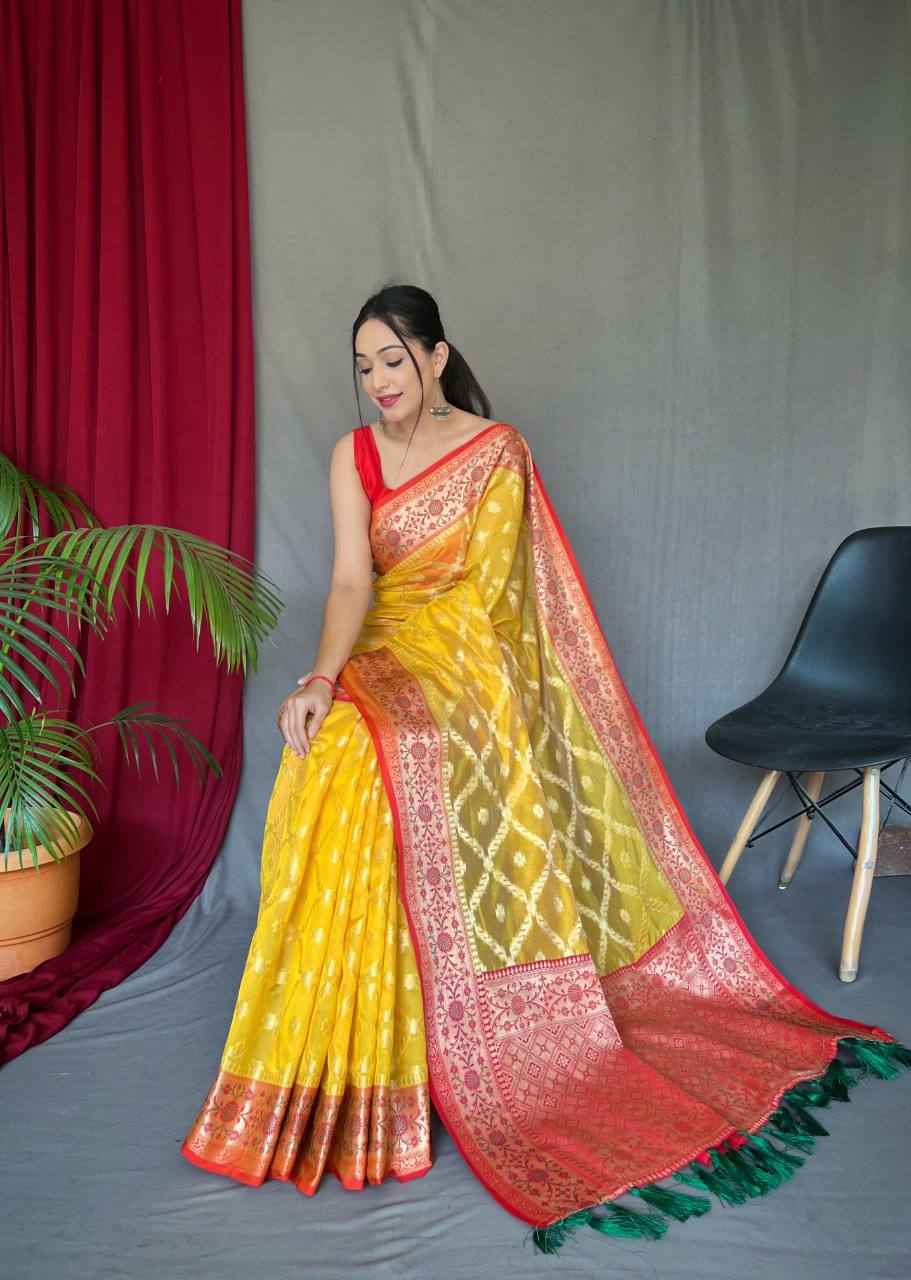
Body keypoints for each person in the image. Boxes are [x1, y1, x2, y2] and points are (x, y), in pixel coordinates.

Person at [181, 282, 908, 1253]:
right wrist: (320, 675)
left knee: (407, 751)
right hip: (384, 651)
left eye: (391, 358)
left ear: (436, 356)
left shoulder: (494, 451)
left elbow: (503, 609)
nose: (377, 381)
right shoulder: (350, 457)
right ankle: (340, 1057)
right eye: (362, 367)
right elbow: (355, 579)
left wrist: (462, 692)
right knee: (341, 754)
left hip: (469, 663)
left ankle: (439, 1033)